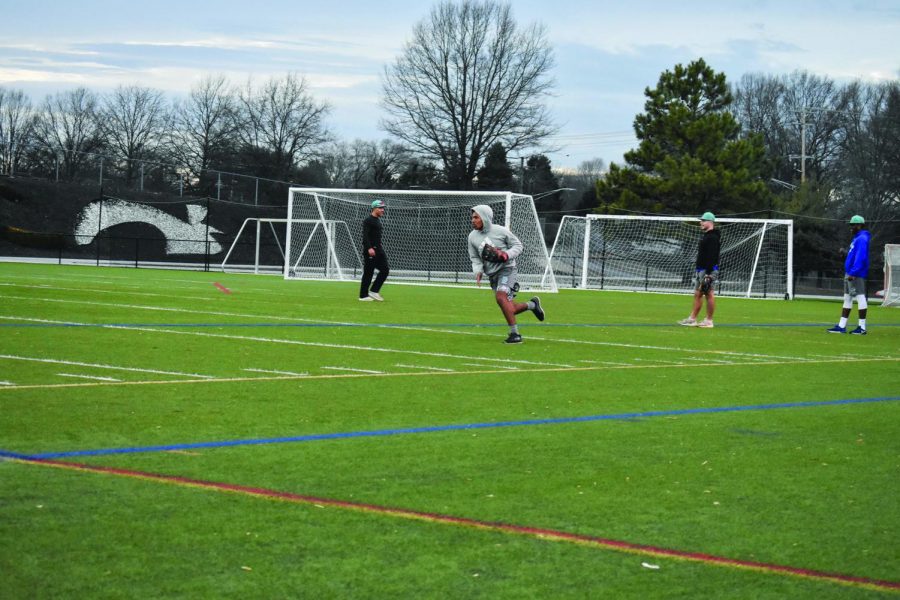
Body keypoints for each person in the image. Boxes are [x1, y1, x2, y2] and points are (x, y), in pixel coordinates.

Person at [467, 204, 544, 343]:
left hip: (507, 269)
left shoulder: (501, 231)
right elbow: (475, 258)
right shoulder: (472, 237)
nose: (472, 220)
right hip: (492, 275)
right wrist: (478, 271)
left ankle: (515, 335)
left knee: (501, 297)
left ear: (484, 217)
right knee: (509, 306)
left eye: (476, 217)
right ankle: (532, 305)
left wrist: (506, 254)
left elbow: (518, 246)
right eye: (472, 217)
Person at [827, 215, 871, 334]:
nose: (850, 227)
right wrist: (845, 253)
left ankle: (862, 328)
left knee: (860, 297)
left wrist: (853, 272)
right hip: (851, 272)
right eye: (850, 225)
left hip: (856, 273)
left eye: (853, 225)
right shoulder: (857, 238)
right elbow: (853, 256)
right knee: (848, 298)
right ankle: (841, 326)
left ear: (859, 225)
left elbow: (860, 257)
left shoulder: (862, 238)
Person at [679, 211, 720, 328]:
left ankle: (709, 320)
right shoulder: (708, 235)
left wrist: (708, 274)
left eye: (703, 221)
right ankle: (692, 319)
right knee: (698, 294)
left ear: (710, 222)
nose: (701, 223)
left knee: (709, 294)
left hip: (708, 270)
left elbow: (712, 256)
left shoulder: (712, 237)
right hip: (701, 269)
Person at [359, 199, 389, 301]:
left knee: (385, 270)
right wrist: (369, 248)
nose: (382, 210)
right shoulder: (368, 220)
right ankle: (363, 296)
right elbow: (365, 236)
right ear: (374, 208)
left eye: (383, 208)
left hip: (379, 250)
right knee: (368, 273)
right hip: (371, 251)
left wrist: (379, 245)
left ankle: (374, 291)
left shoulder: (377, 221)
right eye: (380, 208)